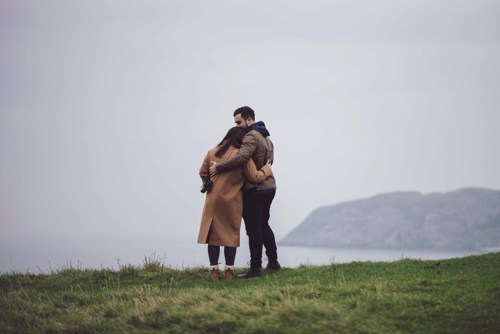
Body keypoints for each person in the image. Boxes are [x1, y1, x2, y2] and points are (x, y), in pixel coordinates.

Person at [210, 106, 280, 279]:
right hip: (269, 187)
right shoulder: (266, 137)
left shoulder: (250, 135)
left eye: (239, 122)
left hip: (255, 189)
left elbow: (242, 157)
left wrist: (219, 167)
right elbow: (270, 162)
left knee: (254, 229)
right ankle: (273, 262)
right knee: (264, 225)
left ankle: (255, 269)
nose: (237, 126)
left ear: (249, 120)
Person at [198, 126, 273, 281]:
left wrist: (210, 183)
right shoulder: (242, 157)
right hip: (232, 199)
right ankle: (229, 272)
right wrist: (267, 170)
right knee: (229, 235)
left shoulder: (213, 152)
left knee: (213, 235)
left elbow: (202, 172)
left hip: (213, 199)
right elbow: (255, 177)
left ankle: (214, 272)